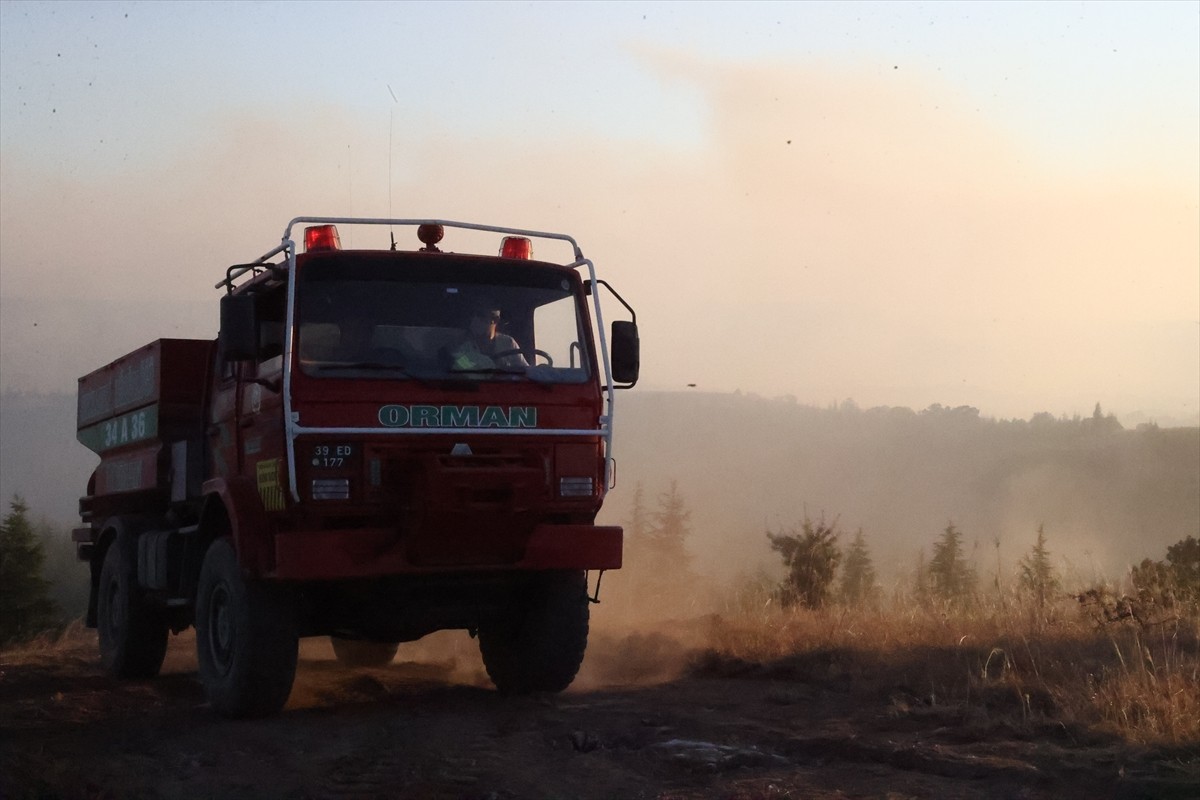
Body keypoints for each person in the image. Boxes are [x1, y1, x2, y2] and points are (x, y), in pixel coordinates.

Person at [449, 305, 528, 370]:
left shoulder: (508, 343)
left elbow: (524, 370)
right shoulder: (463, 345)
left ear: (495, 320)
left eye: (481, 315)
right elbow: (463, 370)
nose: (475, 319)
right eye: (473, 315)